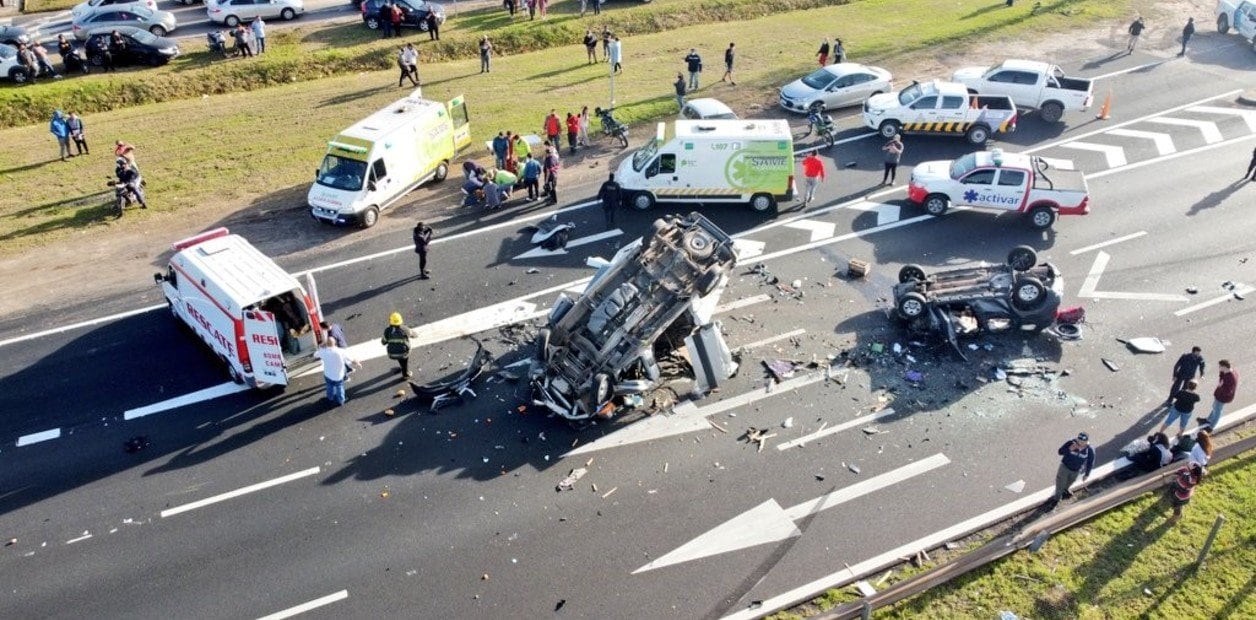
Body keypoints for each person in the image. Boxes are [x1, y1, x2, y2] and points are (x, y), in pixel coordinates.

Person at [1047, 432, 1094, 508]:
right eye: (1079, 440)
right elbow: (1060, 452)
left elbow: (1090, 462)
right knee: (1060, 484)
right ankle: (1057, 499)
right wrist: (1069, 449)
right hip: (1064, 467)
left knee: (1071, 481)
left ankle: (1065, 490)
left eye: (1083, 442)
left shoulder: (1089, 450)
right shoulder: (1071, 443)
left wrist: (1087, 474)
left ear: (1086, 441)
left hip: (1076, 470)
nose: (1080, 443)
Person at [315, 338, 360, 405]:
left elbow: (315, 355)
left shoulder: (323, 351)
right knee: (339, 387)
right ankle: (341, 400)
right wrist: (358, 363)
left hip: (328, 374)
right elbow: (351, 359)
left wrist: (321, 347)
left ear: (326, 344)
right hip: (338, 375)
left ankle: (330, 398)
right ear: (335, 343)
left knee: (329, 386)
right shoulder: (340, 351)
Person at [1199, 360, 1238, 431]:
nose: (1219, 368)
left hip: (1222, 397)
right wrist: (1220, 380)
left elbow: (1228, 391)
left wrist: (1220, 386)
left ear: (1224, 367)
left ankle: (1210, 427)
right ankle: (1208, 420)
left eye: (1220, 366)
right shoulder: (1227, 371)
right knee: (1214, 407)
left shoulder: (1231, 378)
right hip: (1219, 395)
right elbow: (1221, 375)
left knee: (1217, 411)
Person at [381, 312, 418, 378]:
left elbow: (383, 342)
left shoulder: (387, 331)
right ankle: (406, 374)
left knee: (400, 358)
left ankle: (402, 367)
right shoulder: (405, 329)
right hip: (404, 352)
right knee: (404, 360)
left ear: (390, 321)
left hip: (392, 353)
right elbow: (414, 335)